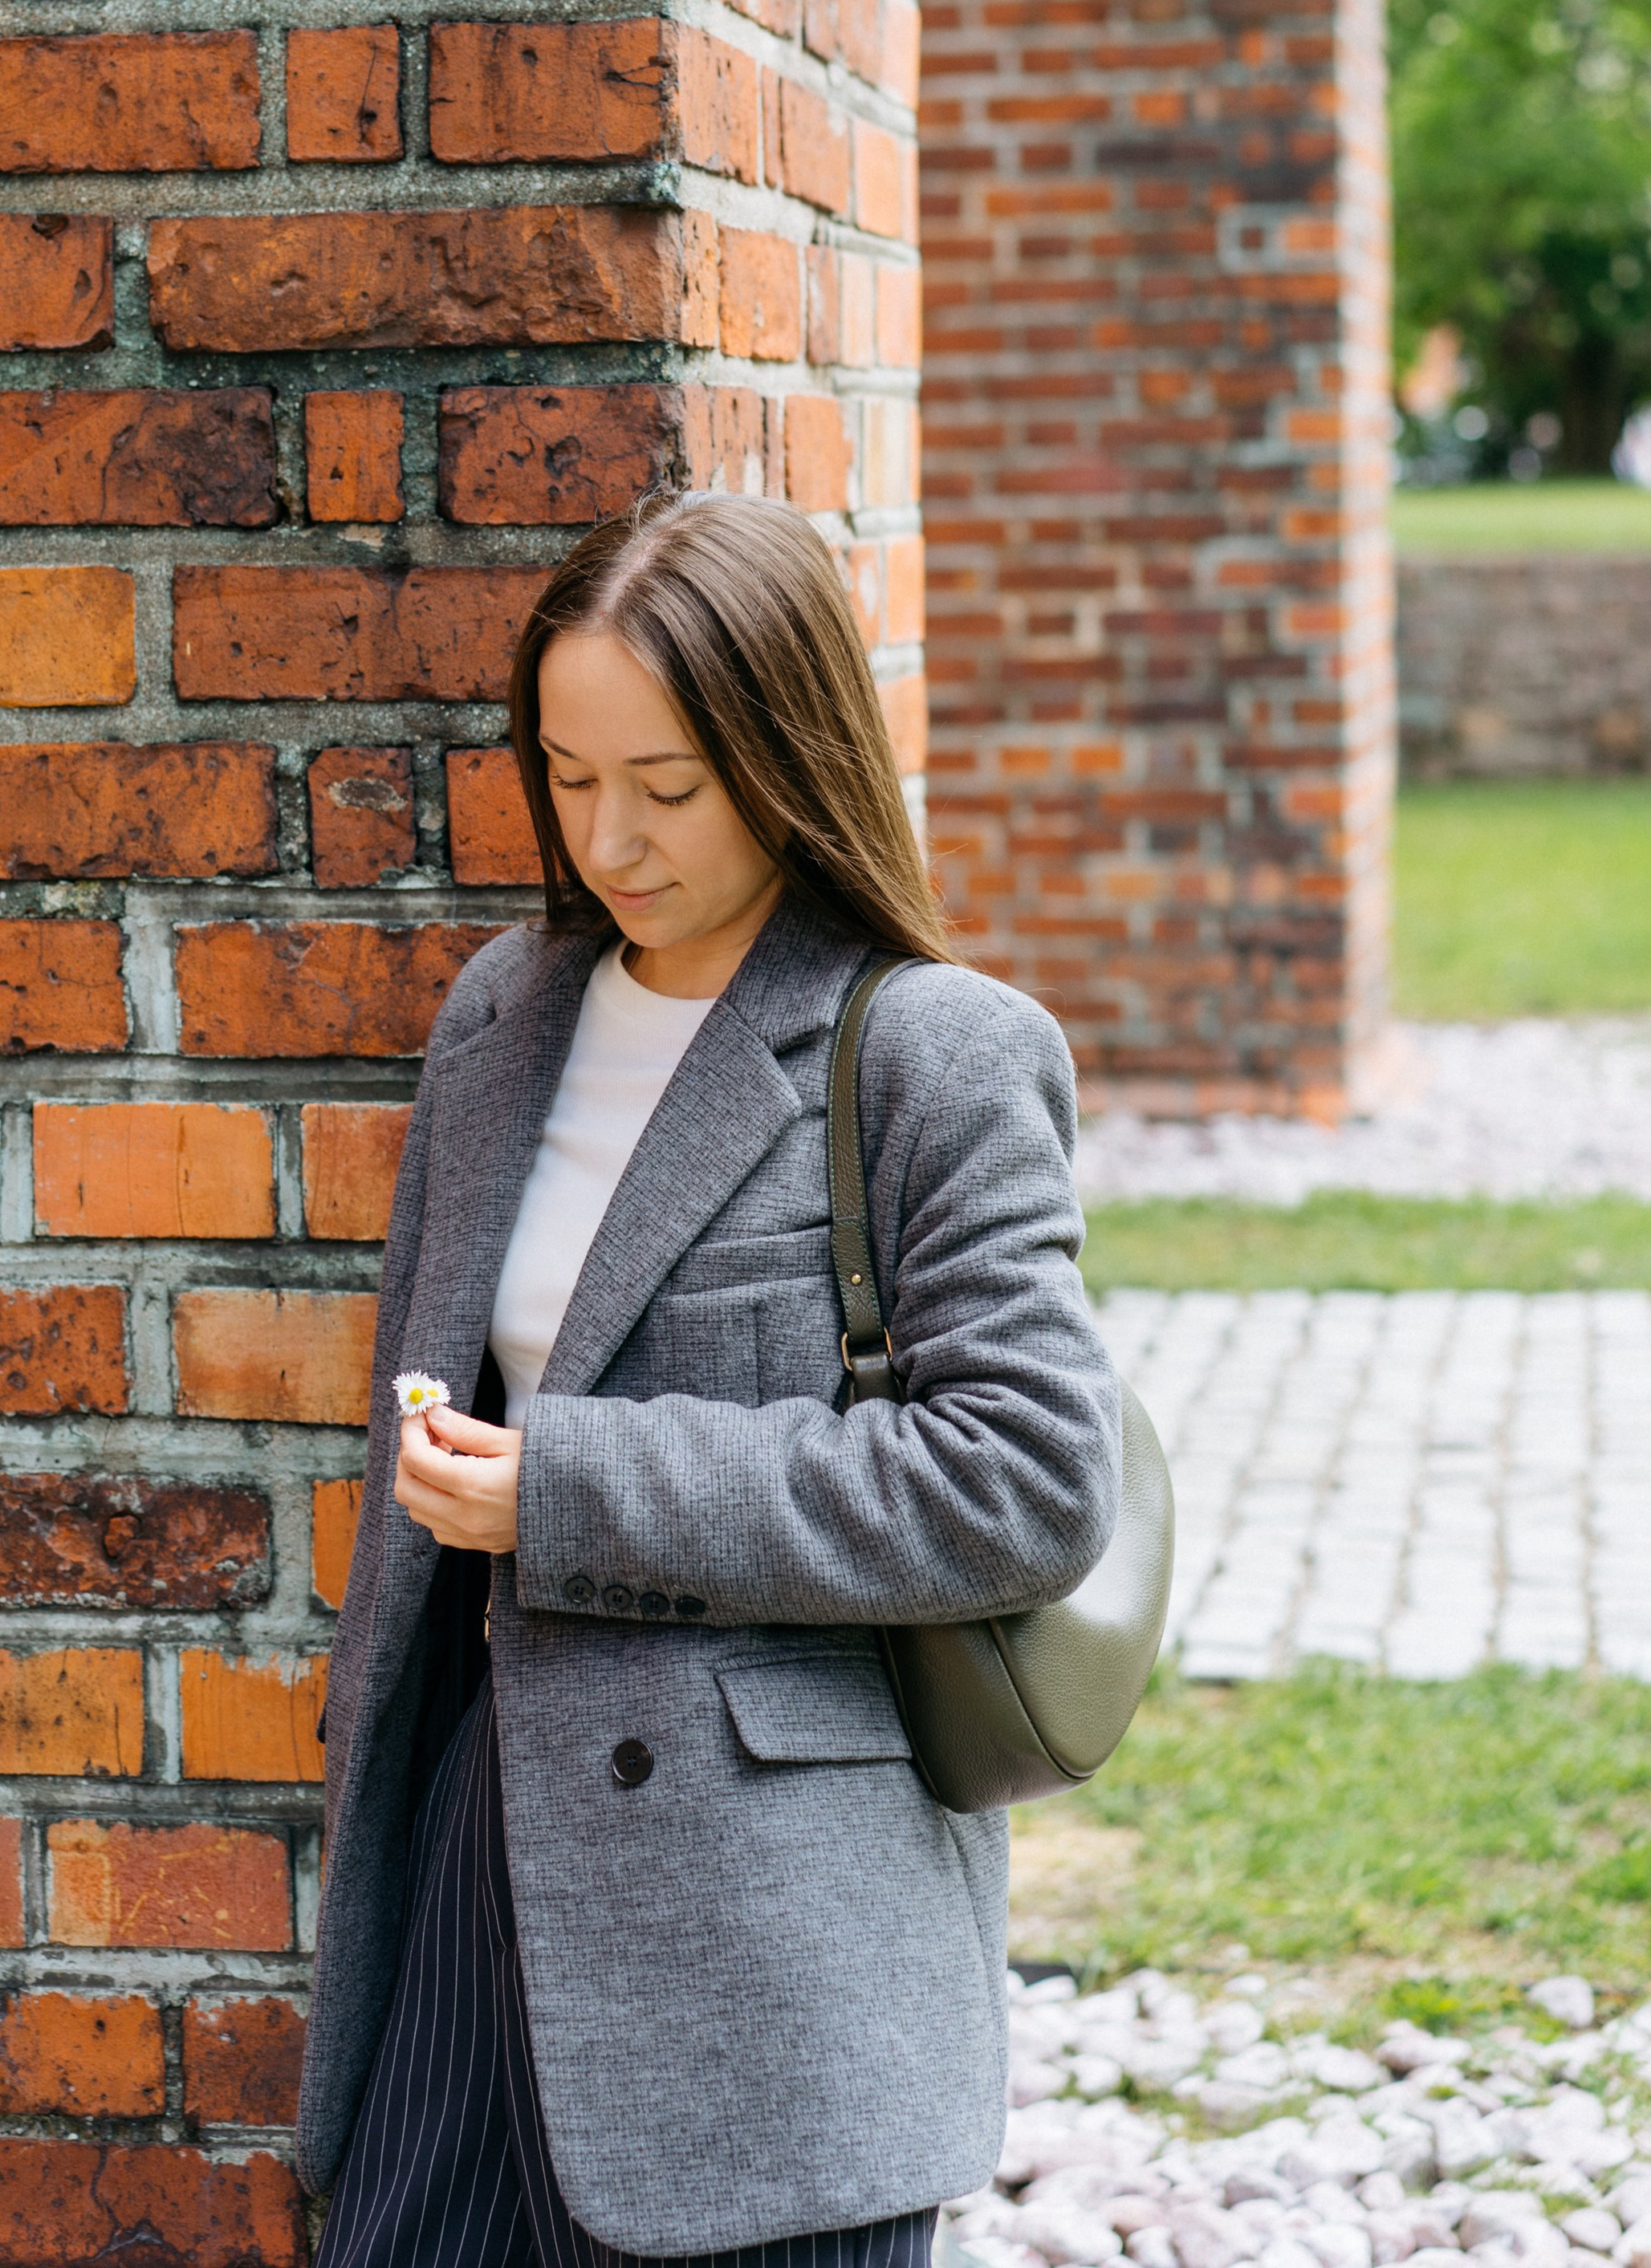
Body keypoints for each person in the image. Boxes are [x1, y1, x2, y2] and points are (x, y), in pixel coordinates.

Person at [295, 490, 1122, 2268]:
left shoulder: (930, 1054)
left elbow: (1027, 1479)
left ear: (784, 747)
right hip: (476, 1848)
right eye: (567, 774)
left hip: (765, 1945)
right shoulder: (500, 1022)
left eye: (665, 786)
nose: (609, 836)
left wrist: (567, 1488)